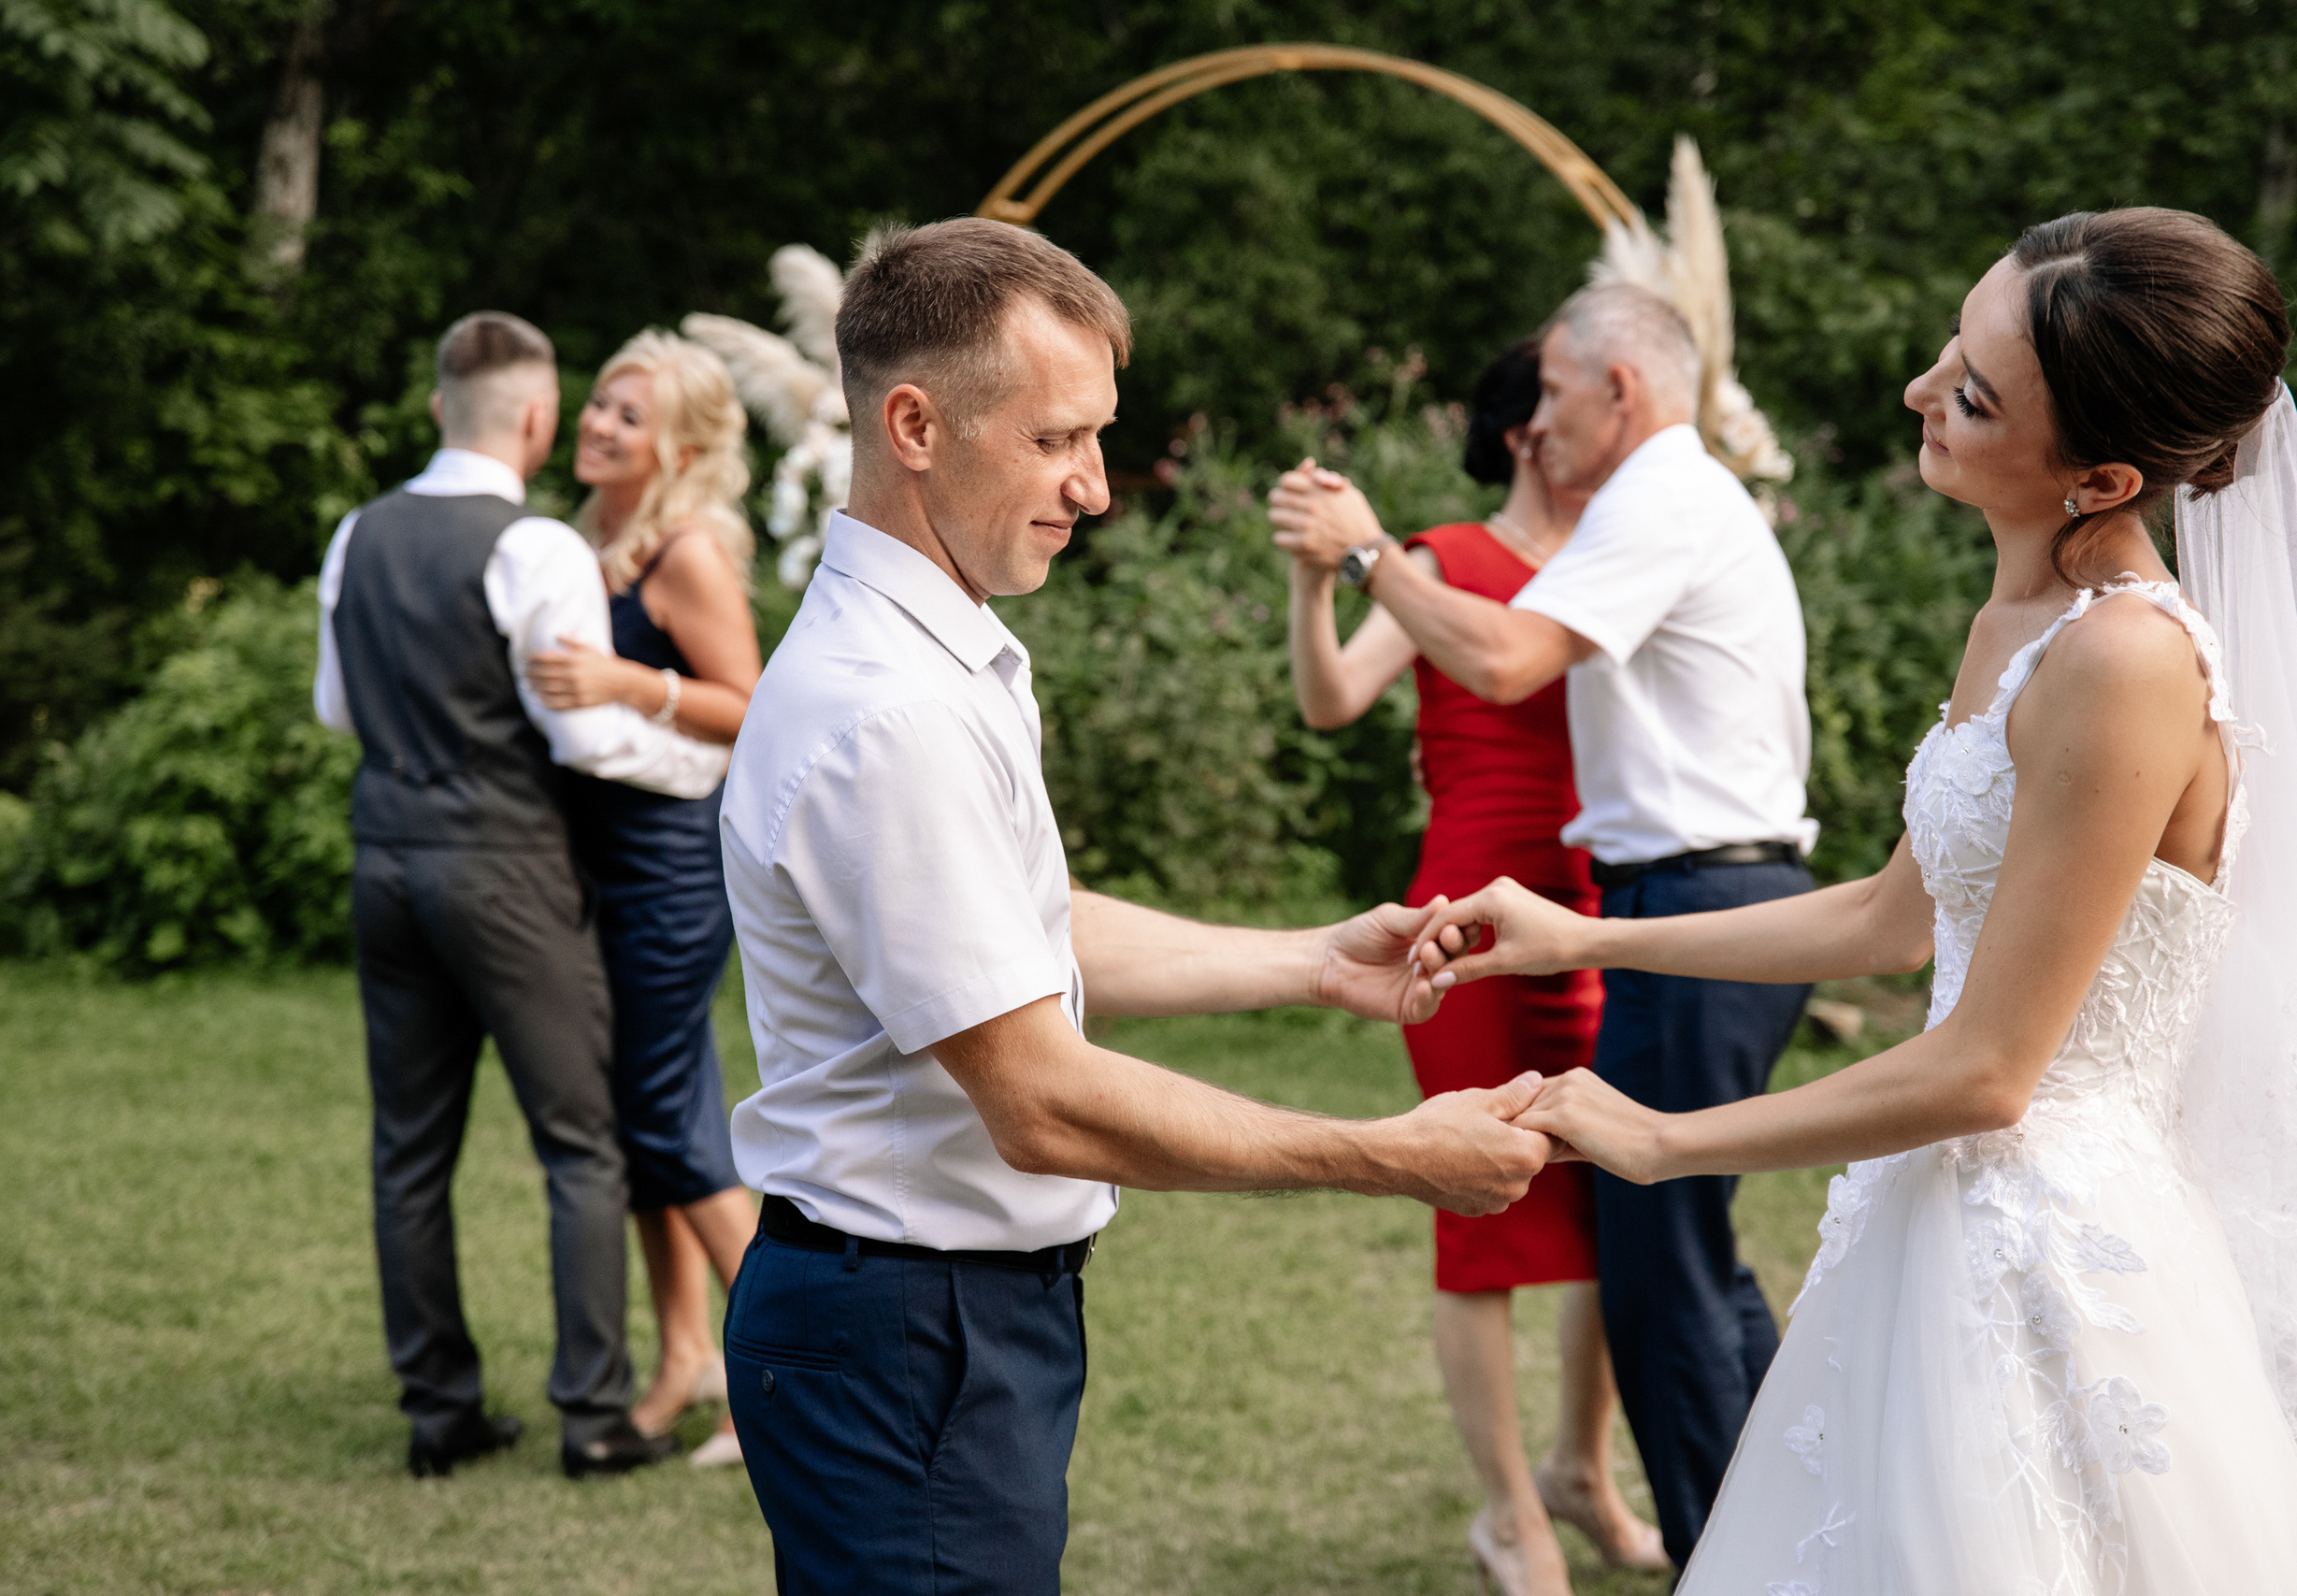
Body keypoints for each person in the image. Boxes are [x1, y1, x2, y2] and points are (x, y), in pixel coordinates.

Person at [1414, 208, 2297, 1593]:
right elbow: (1891, 915)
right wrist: (1582, 930)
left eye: (1974, 393)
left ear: (2101, 476)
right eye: (1951, 349)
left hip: (2052, 1248)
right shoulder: (2022, 621)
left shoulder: (2126, 662)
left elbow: (1996, 1068)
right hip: (1931, 1208)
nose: (1921, 392)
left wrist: (1658, 1137)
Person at [716, 217, 1558, 1596]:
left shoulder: (941, 646)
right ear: (916, 423)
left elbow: (1022, 929)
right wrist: (1389, 1150)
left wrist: (1308, 960)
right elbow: (1043, 1099)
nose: (1096, 487)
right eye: (1058, 439)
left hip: (937, 1313)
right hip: (909, 1322)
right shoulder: (889, 710)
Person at [1269, 280, 1817, 1566]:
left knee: (1661, 1264)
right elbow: (1367, 687)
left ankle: (1730, 1549)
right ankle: (1755, 1527)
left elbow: (1509, 663)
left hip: (1676, 898)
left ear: (1616, 390)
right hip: (1588, 901)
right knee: (1676, 1249)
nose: (1538, 412)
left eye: (1557, 387)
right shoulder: (1635, 512)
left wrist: (1361, 551)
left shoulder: (1653, 505)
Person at [1279, 338, 1666, 1590]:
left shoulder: (1619, 561)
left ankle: (1582, 1467)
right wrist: (1312, 581)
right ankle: (1511, 1510)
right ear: (1526, 433)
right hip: (1471, 912)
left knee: (1614, 1188)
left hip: (1597, 901)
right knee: (1480, 1200)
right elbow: (1336, 697)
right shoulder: (1446, 556)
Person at [313, 310, 727, 1479]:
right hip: (503, 869)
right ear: (538, 419)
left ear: (442, 404)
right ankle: (592, 1415)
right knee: (582, 1144)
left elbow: (337, 711)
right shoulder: (534, 545)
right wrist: (703, 763)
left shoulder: (357, 532)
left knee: (407, 1149)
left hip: (382, 860)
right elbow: (583, 739)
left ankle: (439, 1410)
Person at [526, 329, 761, 1469]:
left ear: (681, 443)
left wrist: (626, 680)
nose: (599, 422)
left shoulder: (685, 551)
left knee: (662, 1115)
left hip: (669, 865)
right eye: (600, 402)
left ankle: (784, 1377)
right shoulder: (592, 537)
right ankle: (685, 1360)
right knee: (645, 1121)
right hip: (600, 859)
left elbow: (751, 704)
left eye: (629, 413)